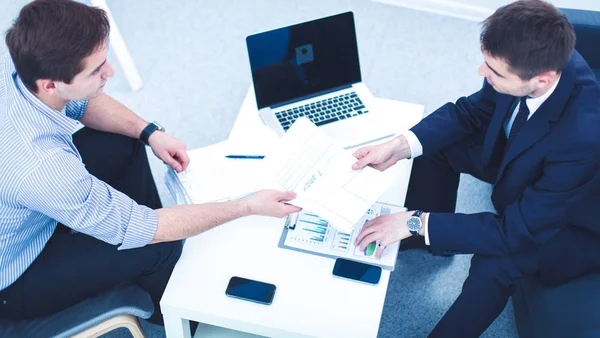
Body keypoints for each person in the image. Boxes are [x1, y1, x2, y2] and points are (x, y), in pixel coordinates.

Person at [0, 0, 300, 326]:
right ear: (50, 85)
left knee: (125, 140)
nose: (110, 72)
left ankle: (138, 245)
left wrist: (150, 133)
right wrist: (247, 205)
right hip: (17, 274)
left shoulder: (17, 63)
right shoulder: (45, 168)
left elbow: (83, 103)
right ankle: (176, 321)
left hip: (29, 207)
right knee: (161, 246)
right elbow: (148, 229)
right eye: (96, 70)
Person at [351, 0, 600, 337]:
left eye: (494, 73)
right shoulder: (522, 59)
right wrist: (400, 146)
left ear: (541, 81)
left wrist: (415, 222)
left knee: (495, 265)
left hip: (567, 223)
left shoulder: (583, 136)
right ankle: (433, 242)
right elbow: (471, 113)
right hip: (522, 160)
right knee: (435, 148)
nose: (483, 74)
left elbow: (516, 231)